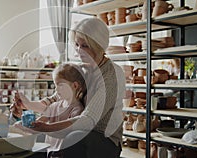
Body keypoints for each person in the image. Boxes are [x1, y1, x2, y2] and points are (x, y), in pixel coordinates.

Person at [11, 17, 126, 158]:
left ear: (99, 45)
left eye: (85, 46)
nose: (78, 50)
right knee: (33, 141)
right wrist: (27, 104)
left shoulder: (112, 74)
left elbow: (88, 120)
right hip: (76, 131)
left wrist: (47, 128)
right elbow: (54, 100)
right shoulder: (80, 70)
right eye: (77, 45)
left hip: (104, 140)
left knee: (74, 138)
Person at [15, 63, 86, 158]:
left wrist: (44, 128)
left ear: (75, 85)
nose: (56, 89)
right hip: (49, 153)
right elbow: (38, 123)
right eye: (55, 85)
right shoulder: (54, 106)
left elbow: (67, 134)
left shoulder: (77, 110)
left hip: (63, 154)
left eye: (60, 85)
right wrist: (22, 122)